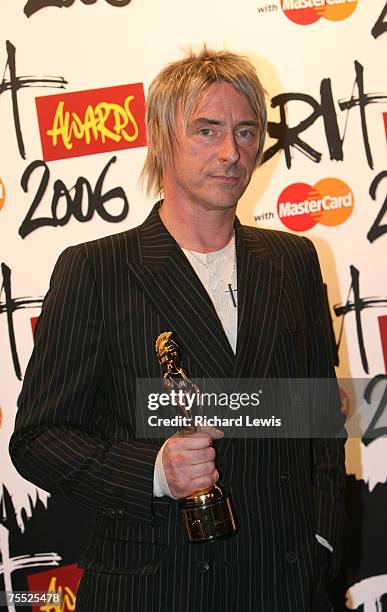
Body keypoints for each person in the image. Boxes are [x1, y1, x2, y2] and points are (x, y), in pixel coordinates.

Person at [10, 47, 346, 611]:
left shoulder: (294, 259)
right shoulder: (96, 268)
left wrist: (324, 536)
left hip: (288, 581)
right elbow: (39, 441)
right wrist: (154, 472)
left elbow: (320, 419)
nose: (231, 152)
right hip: (159, 584)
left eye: (245, 131)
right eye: (206, 130)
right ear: (162, 138)